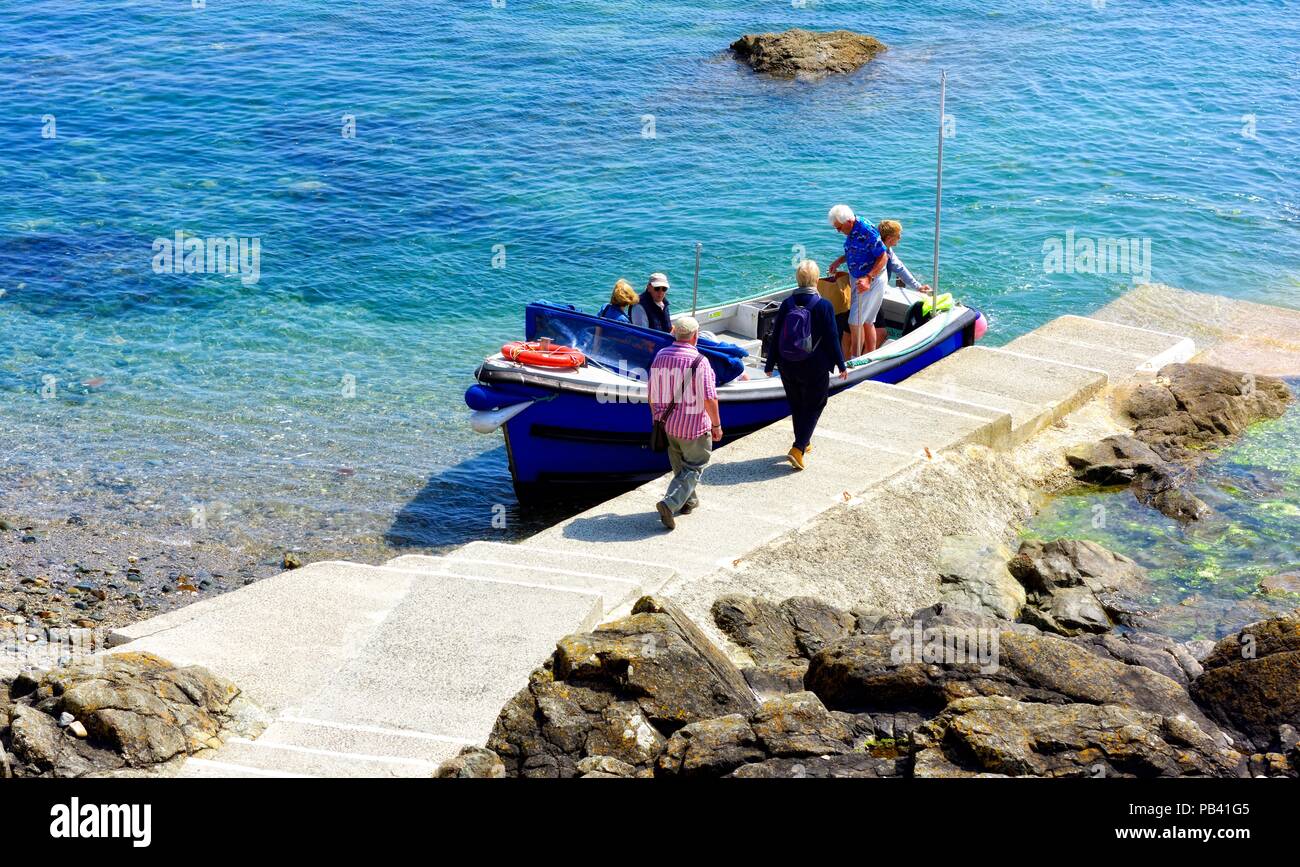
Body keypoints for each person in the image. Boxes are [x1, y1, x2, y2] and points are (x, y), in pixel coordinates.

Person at [765, 259, 847, 470]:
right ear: (816, 280)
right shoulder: (824, 305)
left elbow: (775, 337)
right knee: (816, 404)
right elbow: (832, 338)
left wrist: (770, 363)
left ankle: (804, 441)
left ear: (798, 280)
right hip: (814, 365)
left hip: (787, 363)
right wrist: (841, 364)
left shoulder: (786, 304)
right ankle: (798, 447)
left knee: (797, 404)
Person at [648, 316, 721, 529]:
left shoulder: (660, 356)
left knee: (681, 469)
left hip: (667, 424)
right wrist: (716, 425)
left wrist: (656, 418)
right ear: (695, 336)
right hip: (693, 427)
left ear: (674, 333)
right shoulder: (700, 361)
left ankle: (689, 501)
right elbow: (709, 398)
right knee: (695, 466)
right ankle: (669, 504)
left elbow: (651, 391)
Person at [826, 204, 888, 359]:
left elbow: (883, 256)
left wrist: (868, 278)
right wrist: (839, 261)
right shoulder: (851, 230)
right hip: (858, 278)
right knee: (867, 321)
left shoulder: (866, 231)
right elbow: (856, 251)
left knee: (855, 321)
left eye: (839, 228)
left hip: (870, 280)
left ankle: (855, 359)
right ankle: (870, 357)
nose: (838, 231)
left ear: (848, 222)